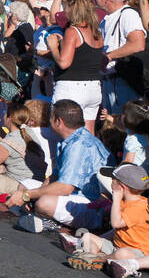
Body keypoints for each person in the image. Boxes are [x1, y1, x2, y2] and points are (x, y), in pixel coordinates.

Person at [8, 99, 109, 233]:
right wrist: (33, 192)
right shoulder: (68, 139)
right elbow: (55, 176)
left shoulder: (79, 145)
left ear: (59, 122)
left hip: (92, 205)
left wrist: (27, 196)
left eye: (51, 117)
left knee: (44, 203)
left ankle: (51, 224)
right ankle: (40, 216)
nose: (49, 120)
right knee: (25, 184)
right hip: (73, 195)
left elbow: (65, 187)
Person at [61, 163, 149, 269]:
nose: (110, 182)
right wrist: (97, 239)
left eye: (112, 180)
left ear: (121, 187)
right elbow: (116, 232)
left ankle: (99, 259)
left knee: (122, 254)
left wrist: (116, 199)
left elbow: (116, 224)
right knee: (88, 236)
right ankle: (92, 256)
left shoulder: (138, 207)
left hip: (136, 252)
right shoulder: (126, 201)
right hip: (116, 246)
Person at [52, 0, 104, 133]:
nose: (65, 11)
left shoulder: (73, 31)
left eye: (66, 7)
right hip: (93, 87)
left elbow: (64, 63)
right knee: (89, 132)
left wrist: (53, 47)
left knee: (66, 131)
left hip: (72, 87)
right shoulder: (96, 32)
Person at [96, 0, 146, 115]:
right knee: (112, 129)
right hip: (109, 82)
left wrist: (108, 56)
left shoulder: (127, 14)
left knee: (125, 126)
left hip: (124, 82)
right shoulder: (106, 19)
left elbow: (138, 44)